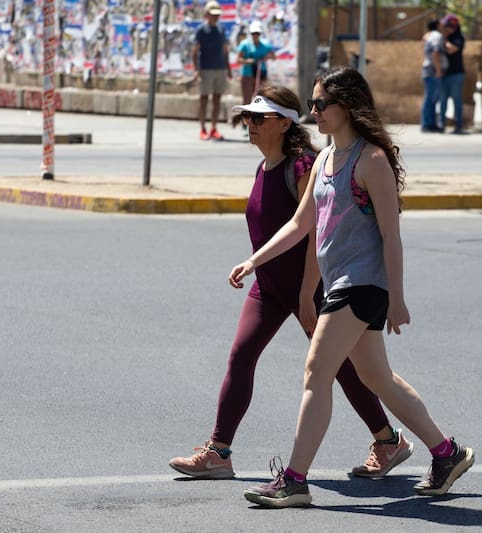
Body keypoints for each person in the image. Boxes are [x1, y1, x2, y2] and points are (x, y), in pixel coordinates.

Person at [230, 67, 474, 508]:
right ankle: (446, 453)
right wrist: (254, 260)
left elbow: (391, 235)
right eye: (313, 104)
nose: (315, 112)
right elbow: (300, 224)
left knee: (316, 371)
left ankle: (294, 480)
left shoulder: (371, 160)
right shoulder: (325, 159)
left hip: (361, 285)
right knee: (377, 377)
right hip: (341, 282)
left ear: (348, 106)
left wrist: (396, 297)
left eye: (323, 104)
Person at [168, 84, 413, 481]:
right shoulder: (264, 167)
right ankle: (218, 452)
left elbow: (314, 231)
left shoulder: (302, 167)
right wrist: (253, 263)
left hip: (309, 288)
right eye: (246, 117)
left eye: (257, 118)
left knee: (343, 368)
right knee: (240, 357)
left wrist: (305, 294)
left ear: (283, 123)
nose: (248, 124)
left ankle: (387, 441)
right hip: (268, 288)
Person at [192, 1, 231, 141]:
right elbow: (195, 51)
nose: (216, 17)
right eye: (213, 15)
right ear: (207, 14)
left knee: (217, 99)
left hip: (220, 69)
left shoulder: (221, 30)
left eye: (217, 15)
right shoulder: (201, 30)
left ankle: (214, 128)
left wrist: (228, 68)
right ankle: (203, 128)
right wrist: (196, 69)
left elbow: (225, 51)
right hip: (206, 69)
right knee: (204, 99)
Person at [236, 21, 275, 114]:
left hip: (261, 73)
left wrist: (266, 57)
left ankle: (258, 118)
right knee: (247, 98)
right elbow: (238, 59)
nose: (255, 35)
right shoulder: (245, 44)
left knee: (261, 98)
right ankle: (246, 118)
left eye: (257, 33)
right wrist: (248, 61)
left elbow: (273, 56)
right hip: (248, 74)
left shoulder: (265, 44)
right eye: (253, 33)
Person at [439, 14, 466, 134]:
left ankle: (458, 125)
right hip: (444, 74)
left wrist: (443, 38)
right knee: (443, 100)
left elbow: (451, 50)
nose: (446, 29)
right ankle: (441, 124)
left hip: (456, 74)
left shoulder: (458, 38)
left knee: (456, 100)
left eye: (448, 27)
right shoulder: (443, 37)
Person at [420, 19, 445, 133]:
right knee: (430, 99)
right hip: (433, 71)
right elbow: (436, 52)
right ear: (438, 26)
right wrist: (438, 70)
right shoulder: (437, 36)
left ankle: (431, 124)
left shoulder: (429, 36)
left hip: (429, 70)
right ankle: (427, 124)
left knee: (432, 99)